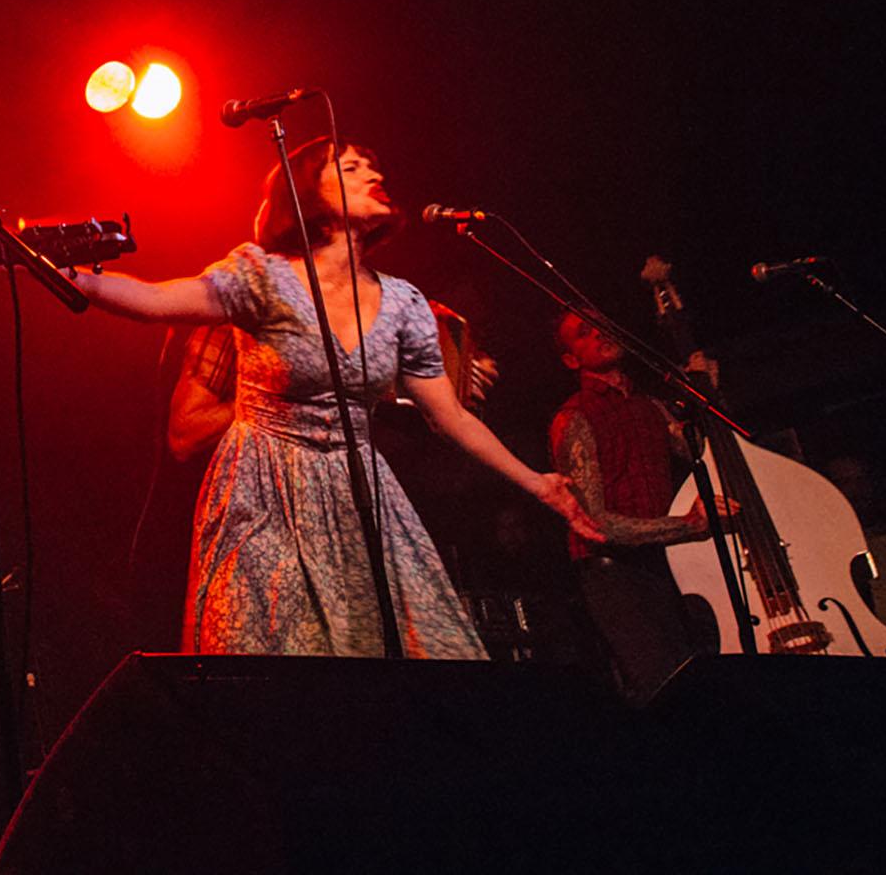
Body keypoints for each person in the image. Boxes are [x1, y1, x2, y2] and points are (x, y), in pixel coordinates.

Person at [75, 136, 598, 657]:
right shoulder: (262, 277)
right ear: (309, 197)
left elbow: (453, 418)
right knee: (276, 654)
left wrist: (539, 483)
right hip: (264, 489)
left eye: (373, 168)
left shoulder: (402, 303)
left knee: (416, 653)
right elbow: (153, 301)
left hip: (358, 493)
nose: (374, 177)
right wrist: (58, 271)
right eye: (351, 169)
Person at [548, 311, 730, 701]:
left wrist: (710, 395)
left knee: (710, 678)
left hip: (669, 564)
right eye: (584, 332)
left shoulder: (651, 406)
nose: (600, 332)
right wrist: (689, 525)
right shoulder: (574, 417)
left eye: (603, 324)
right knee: (667, 689)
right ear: (571, 359)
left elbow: (707, 451)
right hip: (617, 576)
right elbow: (595, 524)